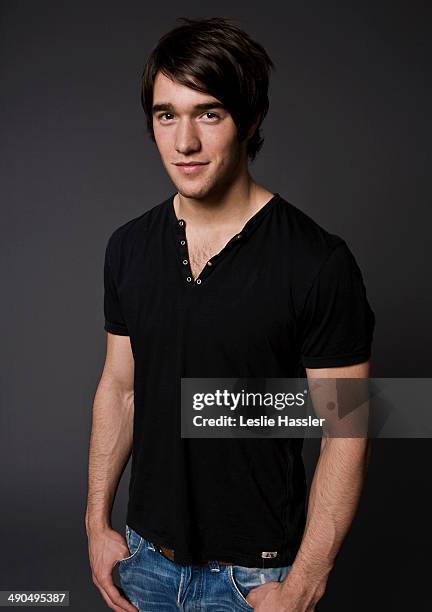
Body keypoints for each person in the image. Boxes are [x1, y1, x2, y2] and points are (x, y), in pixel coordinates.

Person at [85, 17, 376, 612]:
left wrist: (302, 587)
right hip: (145, 563)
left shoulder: (317, 262)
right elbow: (120, 389)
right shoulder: (128, 247)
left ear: (251, 120)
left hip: (256, 581)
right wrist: (96, 525)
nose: (184, 142)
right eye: (167, 115)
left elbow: (347, 429)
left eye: (209, 113)